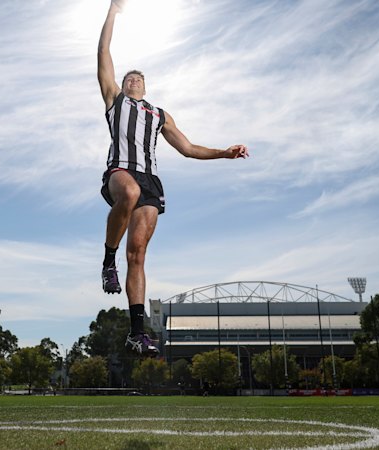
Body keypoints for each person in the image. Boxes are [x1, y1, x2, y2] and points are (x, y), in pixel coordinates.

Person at [98, 0, 249, 357]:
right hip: (121, 172)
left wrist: (224, 153)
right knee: (129, 192)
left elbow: (189, 148)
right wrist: (112, 13)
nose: (132, 79)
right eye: (127, 77)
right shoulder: (114, 100)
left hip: (151, 182)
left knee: (138, 254)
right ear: (120, 84)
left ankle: (137, 333)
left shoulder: (159, 114)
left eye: (139, 78)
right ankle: (107, 259)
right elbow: (104, 50)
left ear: (145, 86)